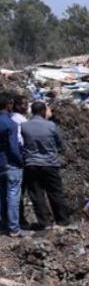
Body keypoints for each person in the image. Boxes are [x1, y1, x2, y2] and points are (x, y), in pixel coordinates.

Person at [21, 101, 69, 229]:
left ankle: (45, 222)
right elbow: (60, 144)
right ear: (43, 111)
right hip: (50, 164)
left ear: (32, 111)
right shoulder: (51, 126)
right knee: (55, 193)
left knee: (37, 195)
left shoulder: (24, 126)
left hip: (31, 164)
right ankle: (62, 221)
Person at [0, 92, 25, 237]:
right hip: (11, 164)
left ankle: (3, 225)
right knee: (13, 195)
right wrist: (21, 161)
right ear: (8, 104)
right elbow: (13, 147)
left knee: (2, 196)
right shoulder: (11, 124)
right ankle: (14, 228)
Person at [11, 95, 28, 229]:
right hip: (18, 160)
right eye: (24, 104)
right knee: (16, 193)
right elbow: (20, 142)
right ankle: (17, 222)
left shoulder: (11, 118)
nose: (26, 106)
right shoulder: (20, 121)